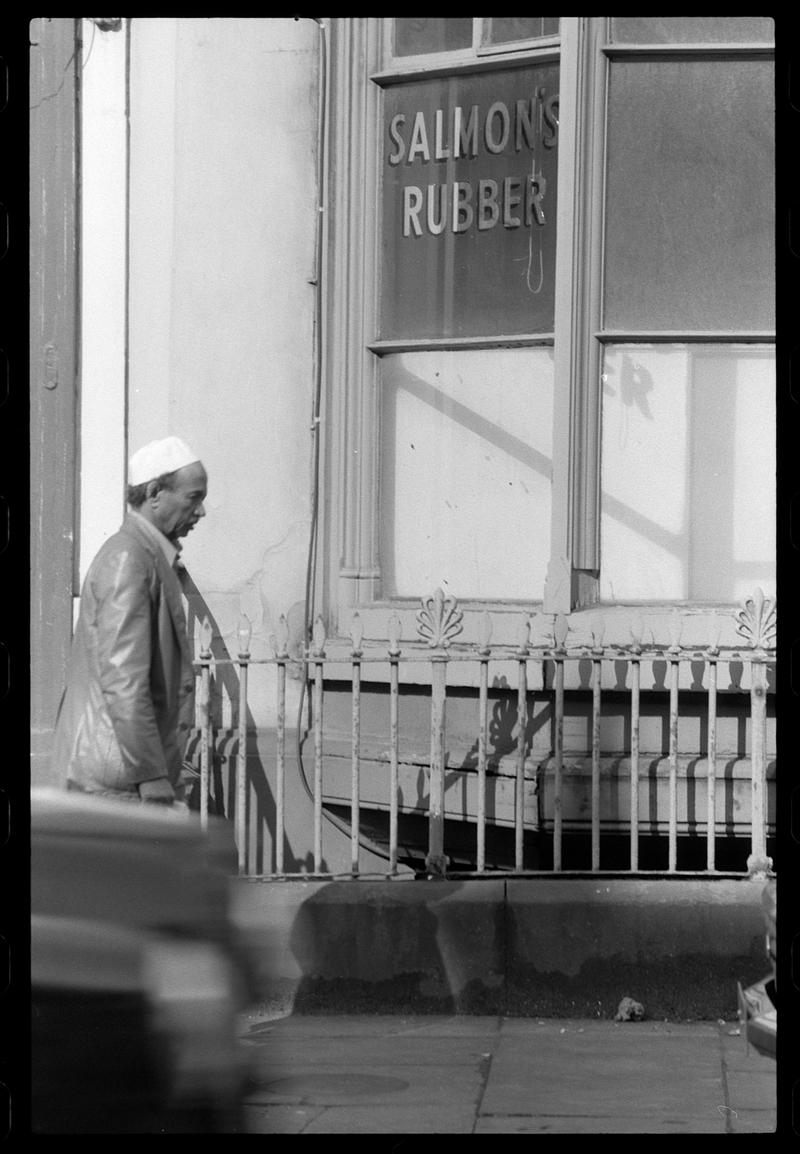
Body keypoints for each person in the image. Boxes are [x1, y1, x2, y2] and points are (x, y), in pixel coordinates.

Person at [52, 436, 208, 805]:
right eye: (193, 498)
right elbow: (125, 681)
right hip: (116, 779)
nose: (201, 512)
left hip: (119, 773)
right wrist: (151, 774)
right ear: (155, 492)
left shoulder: (142, 555)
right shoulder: (129, 560)